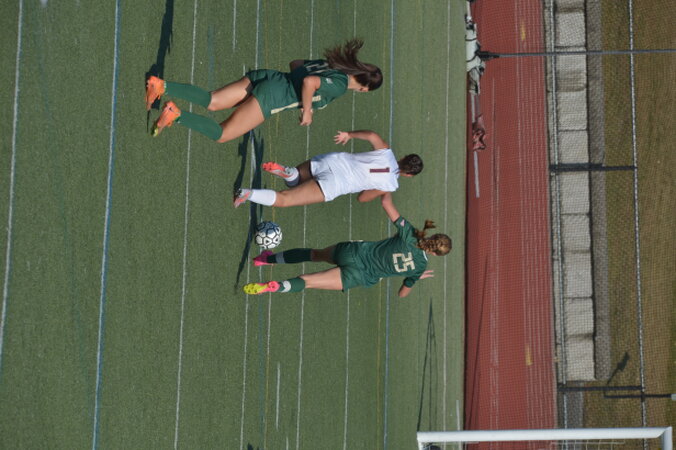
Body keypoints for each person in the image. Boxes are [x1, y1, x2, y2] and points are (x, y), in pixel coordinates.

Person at [145, 39, 382, 143]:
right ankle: (175, 115)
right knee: (222, 134)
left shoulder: (332, 65)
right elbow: (310, 82)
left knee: (213, 100)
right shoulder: (339, 85)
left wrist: (298, 85)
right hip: (274, 96)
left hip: (269, 77)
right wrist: (307, 110)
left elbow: (296, 64)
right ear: (364, 88)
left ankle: (161, 86)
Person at [242, 192, 452, 297]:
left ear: (433, 237)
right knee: (307, 282)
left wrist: (387, 183)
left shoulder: (411, 234)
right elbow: (402, 293)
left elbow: (386, 202)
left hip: (353, 252)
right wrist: (415, 277)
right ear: (435, 254)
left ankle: (266, 259)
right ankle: (276, 286)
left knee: (314, 254)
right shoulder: (420, 267)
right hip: (359, 275)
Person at [233, 129, 423, 208]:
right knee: (285, 199)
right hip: (337, 183)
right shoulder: (390, 185)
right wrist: (383, 192)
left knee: (296, 179)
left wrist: (349, 134)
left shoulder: (387, 152)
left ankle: (290, 173)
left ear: (403, 157)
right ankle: (247, 194)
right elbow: (362, 198)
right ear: (408, 175)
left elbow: (372, 135)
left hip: (333, 160)